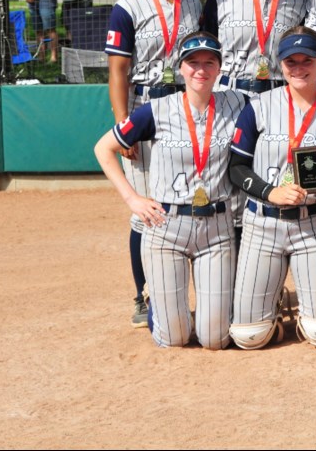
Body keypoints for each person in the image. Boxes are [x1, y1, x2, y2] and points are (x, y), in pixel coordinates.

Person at [94, 32, 245, 349]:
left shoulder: (238, 103)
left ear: (219, 67)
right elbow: (103, 149)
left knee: (214, 339)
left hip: (216, 228)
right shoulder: (154, 110)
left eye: (209, 62)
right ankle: (157, 304)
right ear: (180, 68)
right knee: (175, 338)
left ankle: (186, 308)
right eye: (192, 62)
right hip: (166, 228)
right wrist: (132, 199)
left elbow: (282, 105)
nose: (200, 69)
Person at [228, 26, 316, 349]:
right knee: (248, 337)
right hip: (263, 221)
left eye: (306, 60)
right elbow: (236, 167)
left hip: (313, 223)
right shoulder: (258, 106)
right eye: (290, 62)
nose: (299, 68)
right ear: (279, 64)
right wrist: (270, 192)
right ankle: (273, 301)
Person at [105, 0, 204, 328]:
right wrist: (121, 123)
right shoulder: (127, 6)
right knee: (145, 210)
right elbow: (118, 71)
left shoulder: (194, 3)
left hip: (186, 105)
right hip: (145, 105)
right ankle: (144, 294)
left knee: (191, 199)